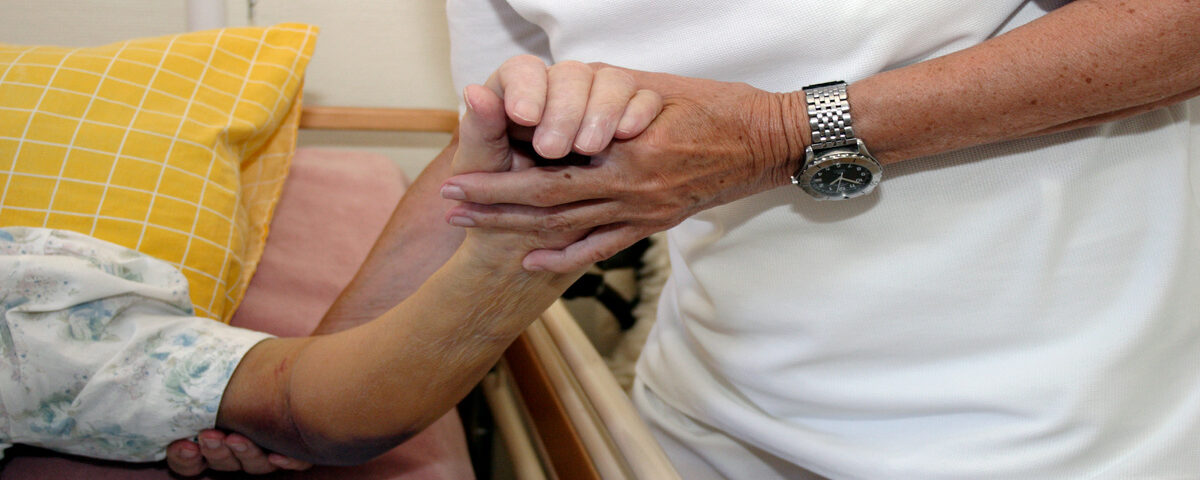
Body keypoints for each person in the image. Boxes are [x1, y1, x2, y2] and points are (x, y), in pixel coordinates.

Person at [432, 0, 1200, 478]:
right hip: (707, 397)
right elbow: (496, 153)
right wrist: (314, 392)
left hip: (1046, 412)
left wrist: (784, 133)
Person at [0, 63, 662, 475]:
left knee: (294, 401)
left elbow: (303, 401)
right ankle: (520, 229)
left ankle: (519, 226)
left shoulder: (32, 309)